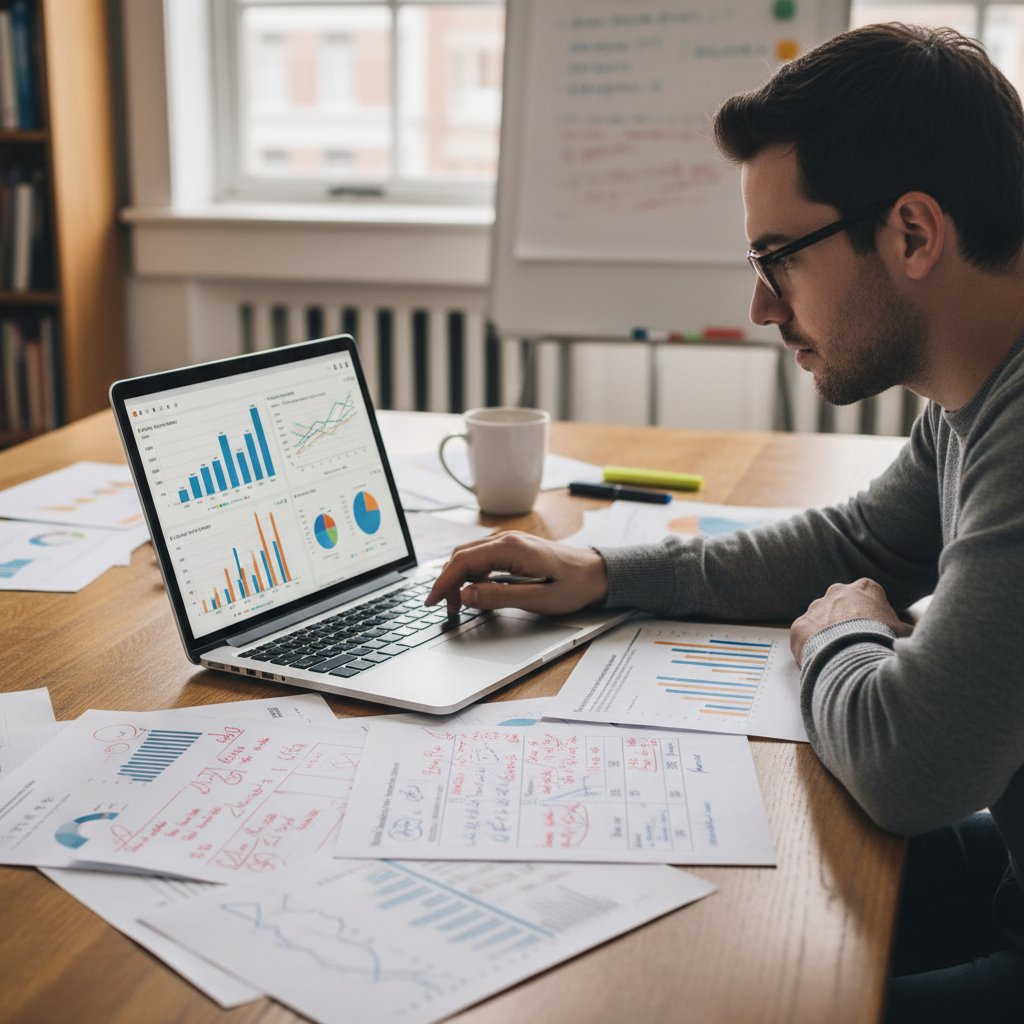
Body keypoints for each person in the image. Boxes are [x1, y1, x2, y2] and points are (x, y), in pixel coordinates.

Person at [426, 23, 1024, 1023]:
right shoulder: (973, 392)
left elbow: (910, 763)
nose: (758, 305)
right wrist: (603, 571)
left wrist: (841, 634)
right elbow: (855, 545)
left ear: (913, 234)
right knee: (694, 909)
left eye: (777, 257)